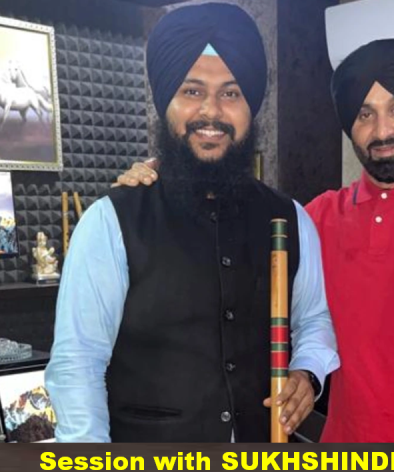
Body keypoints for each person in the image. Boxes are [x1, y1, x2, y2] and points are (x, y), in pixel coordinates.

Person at [115, 37, 394, 443]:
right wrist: (164, 179)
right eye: (364, 114)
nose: (382, 130)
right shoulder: (317, 218)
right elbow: (227, 229)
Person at [45, 3, 339, 443]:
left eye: (231, 93)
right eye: (192, 91)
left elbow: (314, 320)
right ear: (166, 102)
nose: (211, 111)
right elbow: (78, 367)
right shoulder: (109, 223)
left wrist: (307, 371)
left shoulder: (291, 219)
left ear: (252, 106)